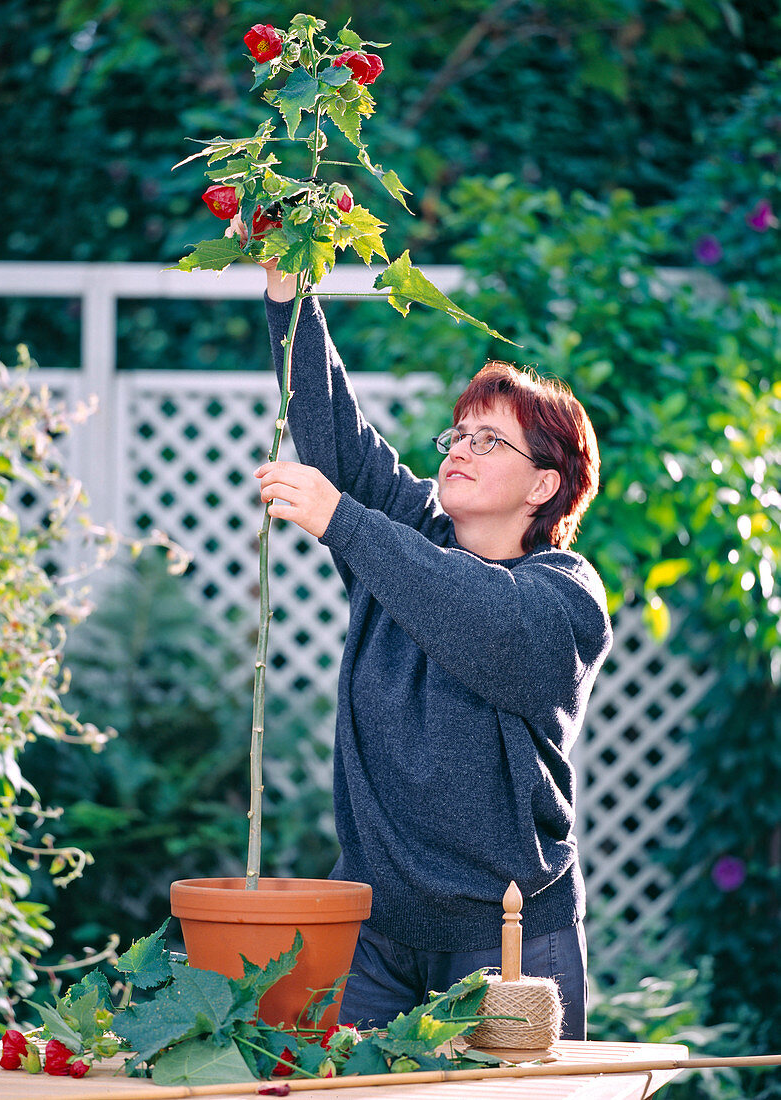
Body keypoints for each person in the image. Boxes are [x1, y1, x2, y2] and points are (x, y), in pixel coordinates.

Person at [253, 261, 613, 1038]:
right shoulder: (409, 533)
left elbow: (481, 619)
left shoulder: (565, 595)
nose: (460, 448)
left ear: (543, 486)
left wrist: (342, 522)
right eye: (460, 433)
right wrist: (289, 292)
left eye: (491, 441)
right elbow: (336, 439)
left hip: (507, 940)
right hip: (374, 930)